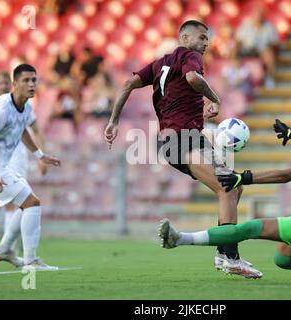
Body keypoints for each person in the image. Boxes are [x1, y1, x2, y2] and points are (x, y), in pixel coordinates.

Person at [104, 20, 260, 278]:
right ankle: (228, 256)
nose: (206, 43)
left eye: (207, 39)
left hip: (178, 139)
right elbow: (192, 78)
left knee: (234, 186)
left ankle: (226, 253)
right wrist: (215, 98)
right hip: (181, 139)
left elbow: (126, 85)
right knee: (227, 187)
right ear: (184, 38)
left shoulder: (159, 64)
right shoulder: (190, 56)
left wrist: (113, 121)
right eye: (201, 37)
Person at [159, 101, 291, 284]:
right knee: (284, 259)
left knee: (251, 227)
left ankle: (178, 239)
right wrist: (290, 133)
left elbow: (286, 175)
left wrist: (243, 177)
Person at [0, 64, 61, 271]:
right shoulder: (1, 110)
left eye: (34, 80)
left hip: (1, 166)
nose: (31, 84)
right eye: (26, 80)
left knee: (27, 204)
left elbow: (22, 131)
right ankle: (30, 261)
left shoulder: (26, 106)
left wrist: (40, 155)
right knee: (32, 204)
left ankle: (4, 250)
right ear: (14, 84)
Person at [0, 71, 47, 254]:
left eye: (6, 83)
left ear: (12, 85)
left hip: (16, 156)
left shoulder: (23, 106)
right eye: (0, 83)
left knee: (19, 202)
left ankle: (9, 247)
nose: (3, 86)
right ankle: (9, 242)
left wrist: (41, 156)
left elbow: (35, 130)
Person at [235, 8, 279, 88]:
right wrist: (237, 48)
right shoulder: (246, 25)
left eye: (261, 15)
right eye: (257, 15)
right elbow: (239, 39)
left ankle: (269, 78)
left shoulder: (269, 27)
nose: (258, 17)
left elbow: (275, 43)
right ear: (253, 15)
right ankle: (235, 74)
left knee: (269, 54)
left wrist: (269, 47)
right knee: (235, 49)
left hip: (261, 51)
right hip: (247, 49)